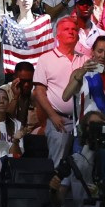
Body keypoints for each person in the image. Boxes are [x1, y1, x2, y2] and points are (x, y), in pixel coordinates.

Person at [33, 17, 87, 166]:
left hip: (81, 123)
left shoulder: (85, 60)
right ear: (58, 36)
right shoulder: (46, 59)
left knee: (81, 164)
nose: (71, 32)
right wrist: (53, 116)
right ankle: (54, 190)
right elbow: (39, 92)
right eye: (66, 29)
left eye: (74, 29)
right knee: (57, 165)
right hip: (59, 121)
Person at [61, 35, 105, 126]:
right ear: (93, 52)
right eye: (100, 51)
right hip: (86, 128)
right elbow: (65, 97)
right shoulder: (79, 72)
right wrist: (83, 71)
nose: (103, 56)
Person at [0, 0, 54, 78]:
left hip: (39, 73)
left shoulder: (44, 20)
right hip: (14, 73)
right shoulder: (7, 22)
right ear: (16, 1)